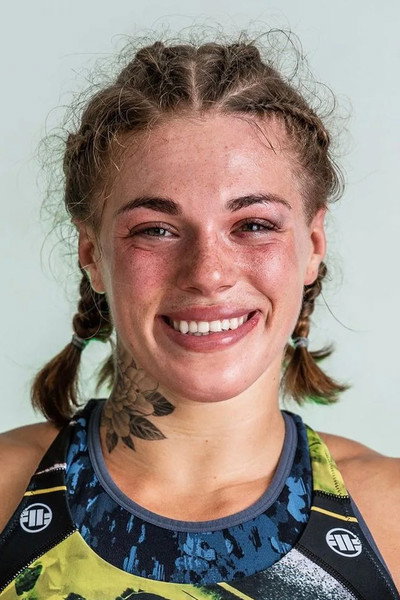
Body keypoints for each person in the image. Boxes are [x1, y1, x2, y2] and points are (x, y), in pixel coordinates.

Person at [0, 31, 399, 599]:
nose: (208, 273)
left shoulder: (390, 515)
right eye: (156, 230)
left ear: (313, 244)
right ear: (92, 254)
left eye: (254, 225)